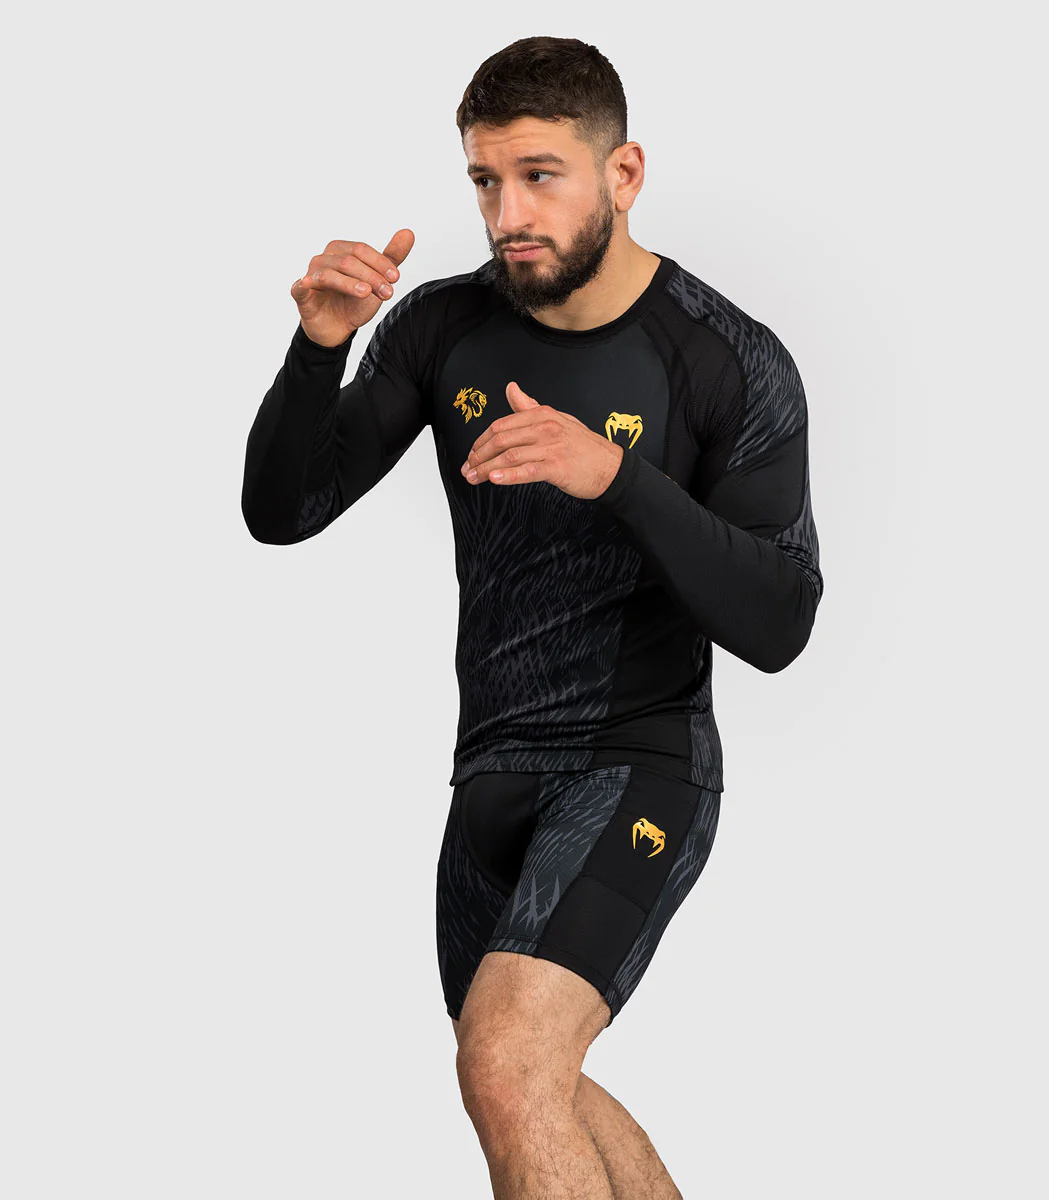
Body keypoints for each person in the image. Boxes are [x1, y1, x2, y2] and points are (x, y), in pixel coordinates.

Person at [241, 34, 823, 1200]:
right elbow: (283, 511)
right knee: (526, 1078)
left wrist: (618, 479)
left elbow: (780, 622)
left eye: (540, 175)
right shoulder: (443, 329)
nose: (507, 213)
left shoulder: (726, 358)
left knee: (507, 1063)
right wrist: (319, 351)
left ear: (624, 172)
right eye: (485, 179)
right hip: (490, 774)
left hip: (636, 763)